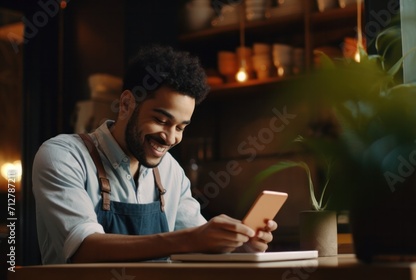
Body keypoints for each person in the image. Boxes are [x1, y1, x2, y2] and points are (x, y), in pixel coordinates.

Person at [32, 45, 277, 264]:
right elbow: (84, 248)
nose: (171, 138)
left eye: (181, 127)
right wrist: (188, 240)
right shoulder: (63, 156)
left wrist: (239, 247)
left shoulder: (170, 170)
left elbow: (201, 246)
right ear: (127, 104)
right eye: (161, 120)